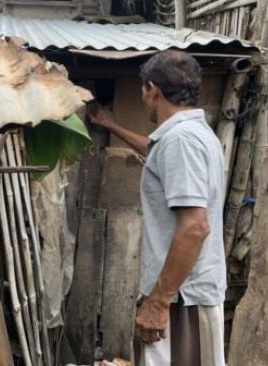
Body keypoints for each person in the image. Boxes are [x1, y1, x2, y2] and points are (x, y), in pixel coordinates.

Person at [89, 50, 226, 365]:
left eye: (142, 89)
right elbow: (156, 152)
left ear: (153, 89)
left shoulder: (181, 142)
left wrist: (158, 303)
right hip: (186, 292)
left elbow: (195, 226)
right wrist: (111, 126)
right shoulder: (189, 136)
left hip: (181, 298)